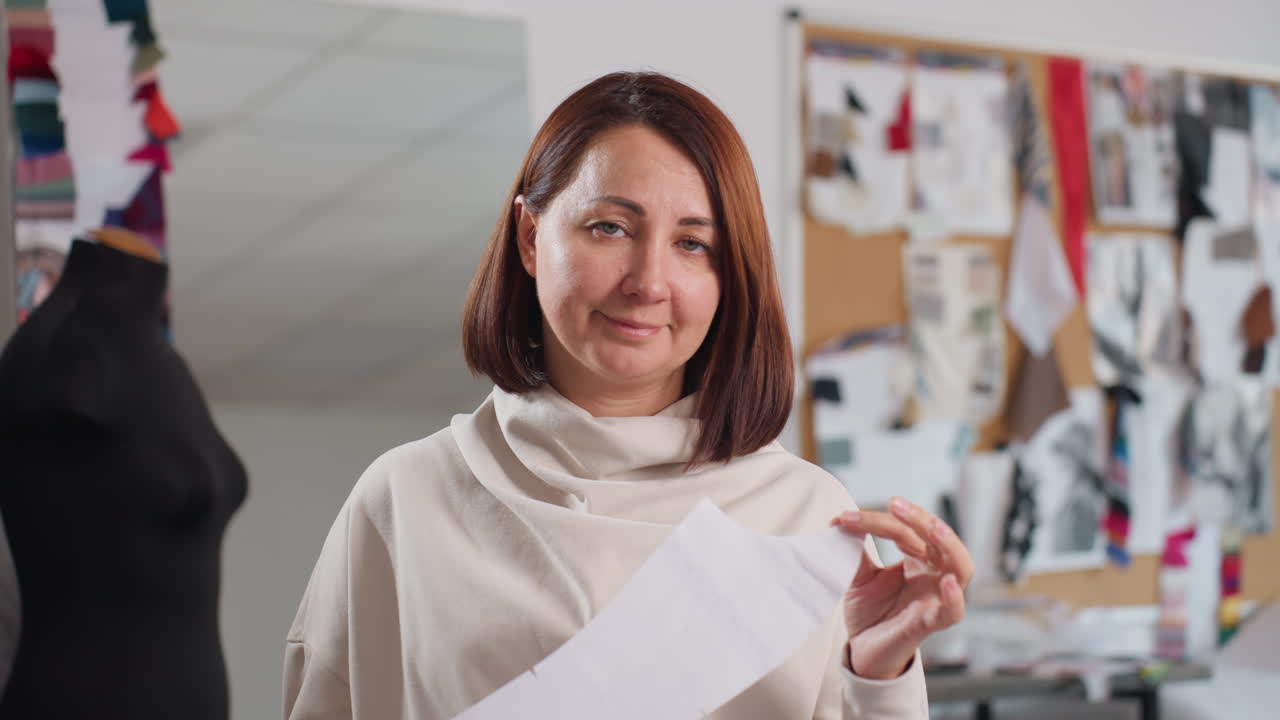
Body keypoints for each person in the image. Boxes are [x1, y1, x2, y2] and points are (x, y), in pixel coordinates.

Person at [283, 71, 972, 719]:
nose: (648, 281)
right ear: (530, 236)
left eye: (694, 245)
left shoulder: (808, 517)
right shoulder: (405, 499)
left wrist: (878, 673)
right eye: (609, 228)